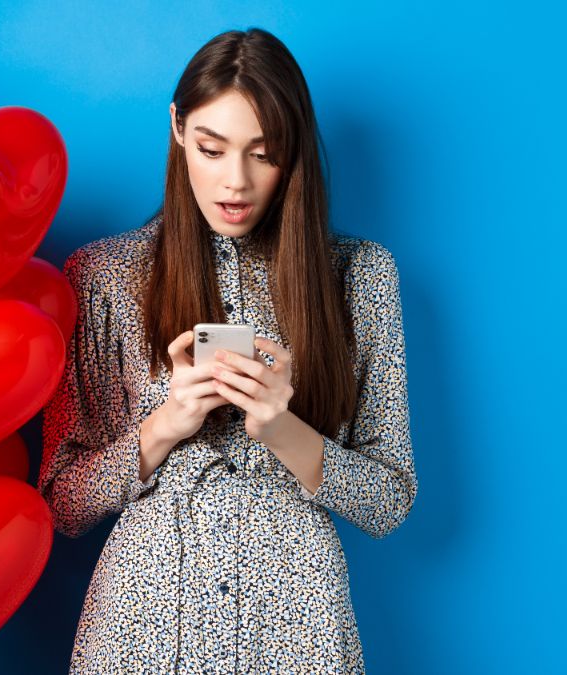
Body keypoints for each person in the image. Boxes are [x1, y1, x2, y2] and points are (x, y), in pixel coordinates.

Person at [38, 27, 418, 673]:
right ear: (179, 129)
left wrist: (283, 430)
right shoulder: (102, 276)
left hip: (299, 635)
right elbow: (61, 502)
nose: (234, 182)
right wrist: (164, 426)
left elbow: (388, 501)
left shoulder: (359, 277)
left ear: (292, 151)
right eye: (212, 149)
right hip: (142, 632)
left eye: (263, 154)